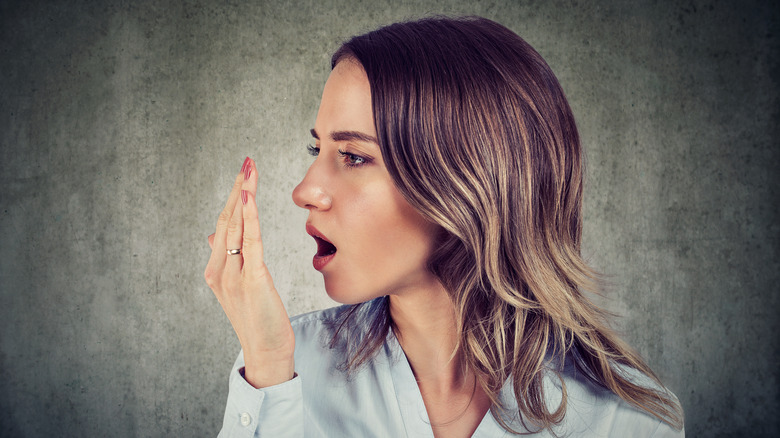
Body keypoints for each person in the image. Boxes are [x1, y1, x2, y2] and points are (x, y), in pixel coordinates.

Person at [205, 16, 685, 437]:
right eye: (318, 151)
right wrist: (268, 370)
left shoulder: (622, 420)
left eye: (353, 156)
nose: (304, 191)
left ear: (466, 181)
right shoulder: (282, 372)